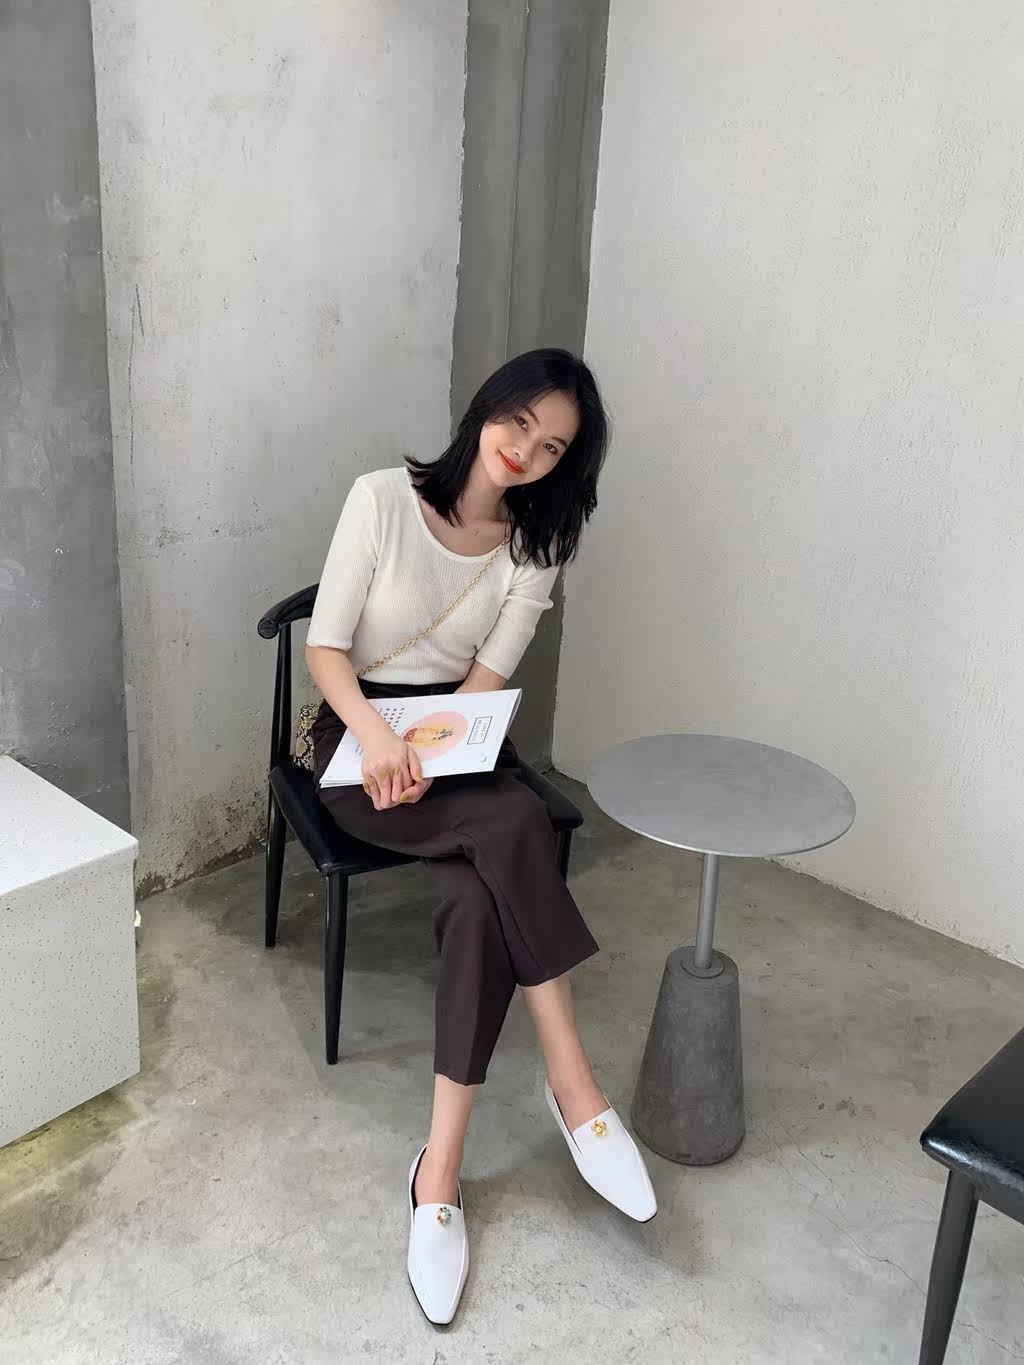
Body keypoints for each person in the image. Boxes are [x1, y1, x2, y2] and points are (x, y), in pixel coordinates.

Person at [305, 348, 656, 1324]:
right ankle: (575, 1089)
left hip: (455, 741)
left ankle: (439, 1173)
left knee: (475, 891)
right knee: (520, 821)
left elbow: (484, 682)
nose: (526, 454)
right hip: (355, 742)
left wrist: (437, 748)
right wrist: (380, 739)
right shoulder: (380, 500)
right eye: (520, 424)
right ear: (487, 406)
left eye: (553, 449)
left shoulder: (536, 545)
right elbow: (325, 647)